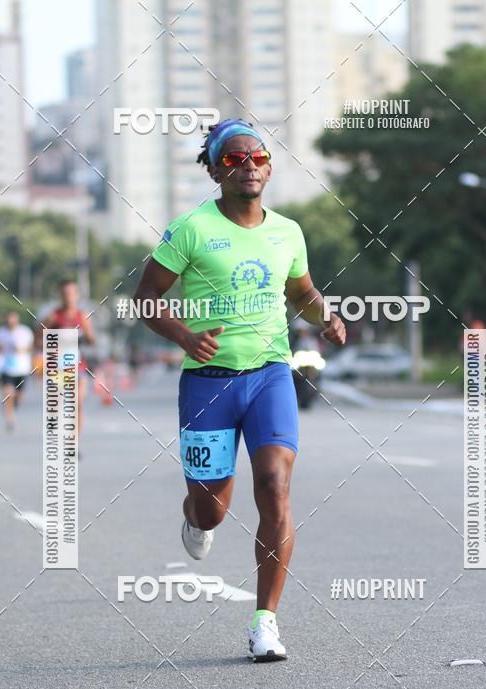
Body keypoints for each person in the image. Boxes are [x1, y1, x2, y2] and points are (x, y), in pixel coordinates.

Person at [134, 118, 345, 661]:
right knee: (212, 511)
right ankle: (194, 516)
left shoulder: (288, 232)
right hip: (206, 383)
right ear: (214, 169)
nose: (247, 165)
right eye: (233, 158)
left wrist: (326, 315)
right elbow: (145, 298)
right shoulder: (191, 230)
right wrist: (183, 333)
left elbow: (301, 291)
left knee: (274, 485)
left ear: (270, 167)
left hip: (271, 374)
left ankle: (264, 622)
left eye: (257, 157)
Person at [37, 279, 95, 438]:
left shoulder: (82, 316)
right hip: (58, 367)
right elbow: (37, 339)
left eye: (71, 293)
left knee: (78, 403)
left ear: (76, 295)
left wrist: (83, 336)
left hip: (78, 366)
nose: (68, 297)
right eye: (64, 294)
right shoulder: (53, 317)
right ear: (60, 295)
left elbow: (92, 340)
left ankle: (74, 441)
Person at [0, 310, 34, 431]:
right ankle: (10, 420)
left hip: (22, 368)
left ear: (17, 319)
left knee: (19, 396)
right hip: (6, 368)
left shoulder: (25, 331)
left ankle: (14, 404)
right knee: (8, 393)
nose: (10, 321)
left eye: (13, 318)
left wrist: (21, 349)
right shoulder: (0, 332)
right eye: (9, 318)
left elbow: (31, 347)